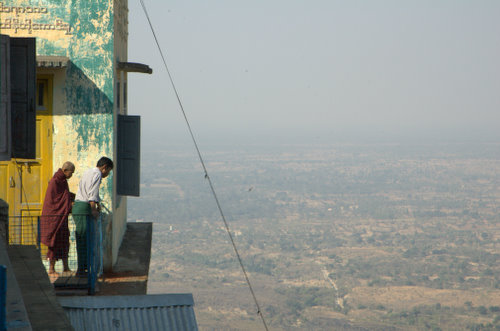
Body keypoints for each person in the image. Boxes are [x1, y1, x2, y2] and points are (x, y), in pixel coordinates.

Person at [72, 157, 113, 276]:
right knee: (84, 238)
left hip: (79, 207)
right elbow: (92, 193)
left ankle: (83, 268)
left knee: (82, 238)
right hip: (84, 207)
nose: (107, 174)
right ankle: (82, 269)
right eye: (108, 171)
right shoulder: (97, 174)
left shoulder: (88, 172)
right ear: (104, 167)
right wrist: (93, 209)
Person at [40, 161, 76, 276]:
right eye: (71, 172)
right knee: (54, 243)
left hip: (62, 218)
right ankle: (51, 268)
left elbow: (64, 195)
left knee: (65, 241)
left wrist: (75, 197)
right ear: (65, 170)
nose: (72, 175)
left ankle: (66, 267)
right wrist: (69, 204)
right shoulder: (55, 181)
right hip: (54, 218)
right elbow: (55, 201)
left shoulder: (63, 181)